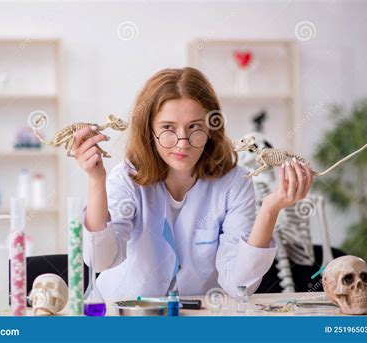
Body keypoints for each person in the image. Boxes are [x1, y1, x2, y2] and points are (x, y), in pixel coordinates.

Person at [75, 67, 313, 303]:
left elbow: (239, 284)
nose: (183, 143)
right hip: (124, 316)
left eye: (195, 127)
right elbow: (101, 259)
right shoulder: (126, 179)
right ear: (149, 130)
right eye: (168, 128)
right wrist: (97, 181)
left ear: (211, 128)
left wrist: (270, 209)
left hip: (197, 317)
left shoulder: (234, 184)